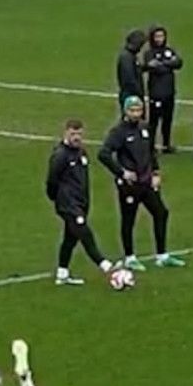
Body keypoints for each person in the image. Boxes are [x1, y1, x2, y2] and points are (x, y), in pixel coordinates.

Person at [98, 96, 185, 272]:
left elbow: (150, 152)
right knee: (129, 219)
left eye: (138, 110)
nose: (136, 113)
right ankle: (130, 257)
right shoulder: (118, 132)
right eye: (132, 110)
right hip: (129, 185)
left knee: (161, 213)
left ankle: (162, 255)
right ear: (125, 111)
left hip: (146, 181)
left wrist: (156, 172)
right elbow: (103, 154)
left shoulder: (144, 128)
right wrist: (121, 172)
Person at [47, 119, 116, 286]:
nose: (76, 137)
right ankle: (105, 264)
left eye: (79, 134)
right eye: (73, 134)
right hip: (68, 204)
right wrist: (58, 199)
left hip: (81, 202)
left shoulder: (81, 152)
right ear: (65, 133)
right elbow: (51, 181)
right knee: (84, 233)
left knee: (70, 237)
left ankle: (62, 274)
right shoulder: (60, 155)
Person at [142, 25, 184, 154]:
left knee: (168, 119)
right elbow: (154, 68)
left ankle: (166, 144)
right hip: (156, 92)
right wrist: (168, 64)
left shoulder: (169, 50)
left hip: (169, 91)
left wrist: (162, 63)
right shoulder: (149, 53)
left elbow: (178, 63)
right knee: (154, 121)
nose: (159, 39)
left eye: (162, 36)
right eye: (157, 36)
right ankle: (150, 146)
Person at [116, 29, 147, 115]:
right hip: (130, 95)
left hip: (131, 93)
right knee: (132, 117)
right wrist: (139, 92)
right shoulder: (126, 57)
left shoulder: (130, 55)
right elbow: (129, 78)